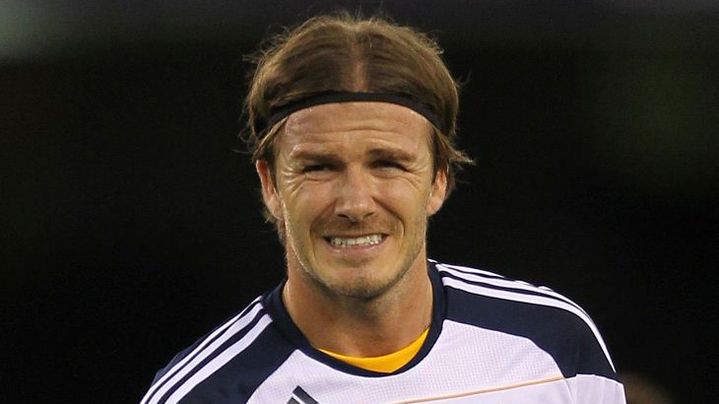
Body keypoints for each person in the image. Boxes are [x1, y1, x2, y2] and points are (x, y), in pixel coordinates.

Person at [140, 13, 626, 403]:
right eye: (319, 168)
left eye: (388, 164)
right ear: (270, 184)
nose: (355, 203)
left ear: (439, 180)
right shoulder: (205, 394)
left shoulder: (552, 348)